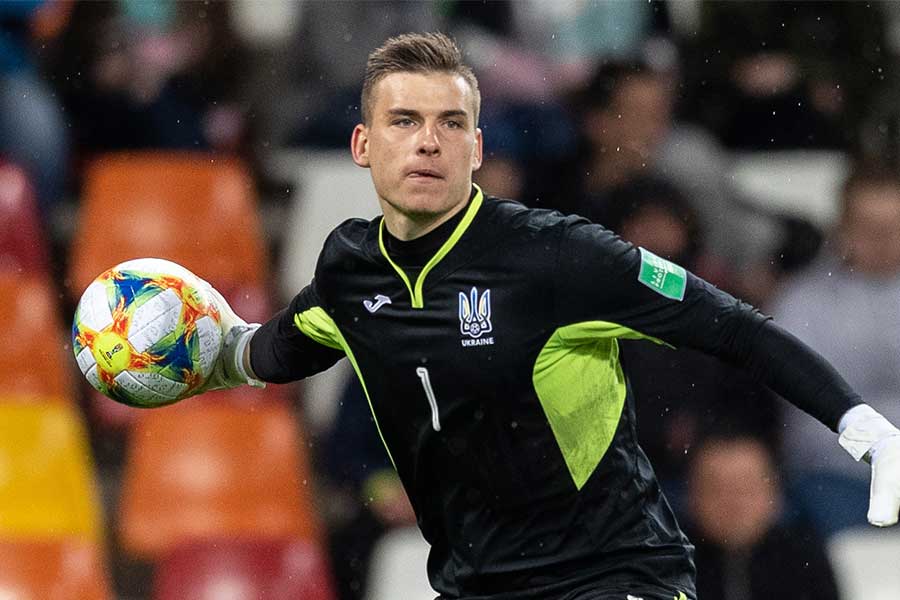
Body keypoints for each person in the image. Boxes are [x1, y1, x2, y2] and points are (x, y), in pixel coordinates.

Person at [195, 33, 900, 600]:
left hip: (613, 576)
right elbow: (263, 352)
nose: (428, 141)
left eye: (451, 124)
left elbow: (733, 325)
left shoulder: (558, 255)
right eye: (404, 121)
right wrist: (180, 354)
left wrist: (858, 424)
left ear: (476, 150)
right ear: (362, 145)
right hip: (476, 585)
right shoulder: (351, 271)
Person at [770, 163, 900, 536]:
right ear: (842, 228)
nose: (883, 239)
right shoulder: (799, 304)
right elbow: (805, 414)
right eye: (869, 227)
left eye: (893, 227)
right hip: (835, 477)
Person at [685, 434, 841, 600]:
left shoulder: (803, 559)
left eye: (745, 489)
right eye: (718, 490)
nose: (733, 503)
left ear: (774, 493)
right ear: (692, 496)